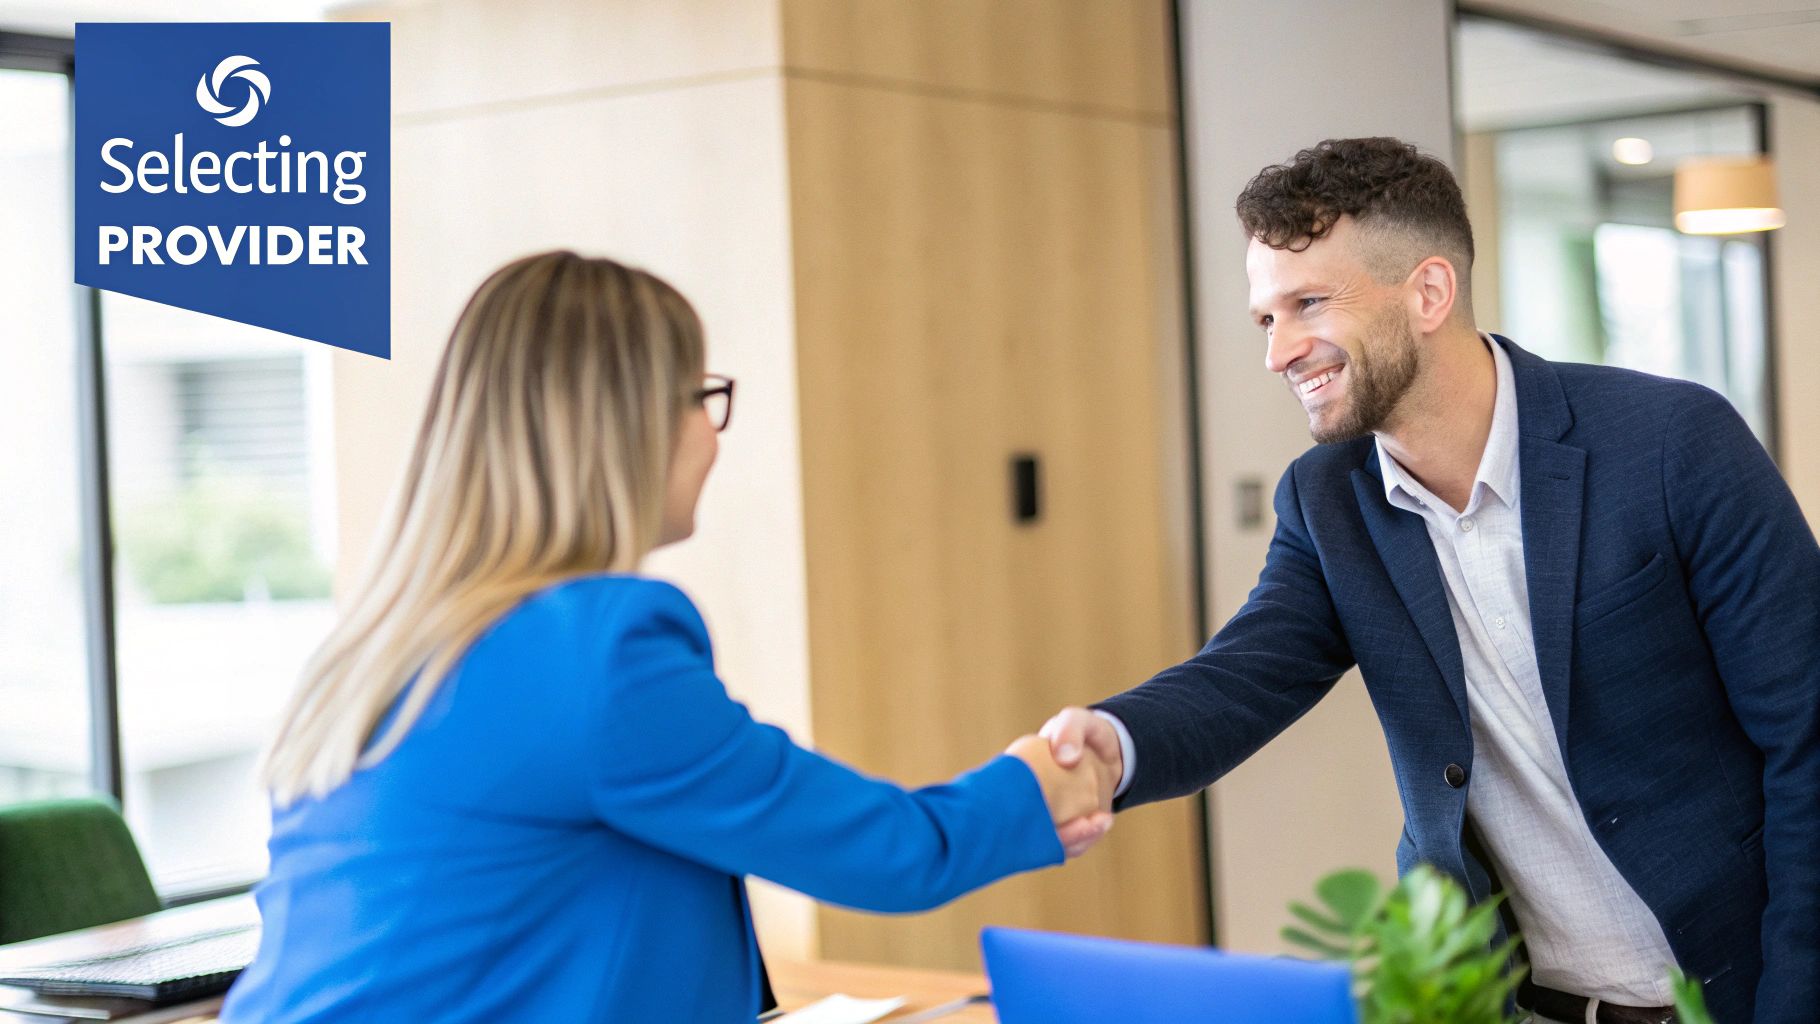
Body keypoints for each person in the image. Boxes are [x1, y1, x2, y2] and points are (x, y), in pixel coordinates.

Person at [220, 252, 1115, 1023]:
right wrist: (1042, 785)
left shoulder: (382, 647)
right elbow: (892, 855)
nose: (713, 437)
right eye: (701, 397)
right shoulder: (598, 651)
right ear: (629, 423)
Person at [1042, 137, 1819, 1024]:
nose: (1279, 352)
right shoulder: (1329, 499)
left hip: (1743, 989)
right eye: (1267, 318)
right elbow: (1245, 674)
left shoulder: (1672, 444)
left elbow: (1809, 737)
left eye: (1308, 304)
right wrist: (1112, 743)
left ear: (1429, 292)